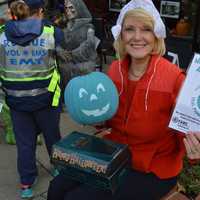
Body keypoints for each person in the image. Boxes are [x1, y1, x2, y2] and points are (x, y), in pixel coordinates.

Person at [47, 0, 200, 200]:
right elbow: (109, 118)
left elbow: (186, 129)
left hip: (153, 168)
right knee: (57, 186)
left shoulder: (174, 78)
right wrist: (97, 119)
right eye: (130, 29)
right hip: (115, 155)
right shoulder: (114, 70)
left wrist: (195, 148)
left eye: (146, 29)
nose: (137, 37)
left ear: (156, 36)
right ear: (121, 34)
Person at [0, 0, 64, 198]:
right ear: (41, 11)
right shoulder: (51, 32)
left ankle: (26, 184)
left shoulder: (2, 35)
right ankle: (58, 170)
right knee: (52, 137)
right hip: (46, 99)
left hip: (17, 102)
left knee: (25, 143)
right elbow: (64, 54)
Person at [56, 0, 99, 92]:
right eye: (66, 8)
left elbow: (90, 43)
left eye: (71, 7)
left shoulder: (89, 27)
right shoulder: (66, 26)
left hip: (83, 68)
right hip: (66, 69)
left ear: (79, 8)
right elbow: (58, 42)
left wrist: (72, 54)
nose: (68, 11)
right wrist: (59, 50)